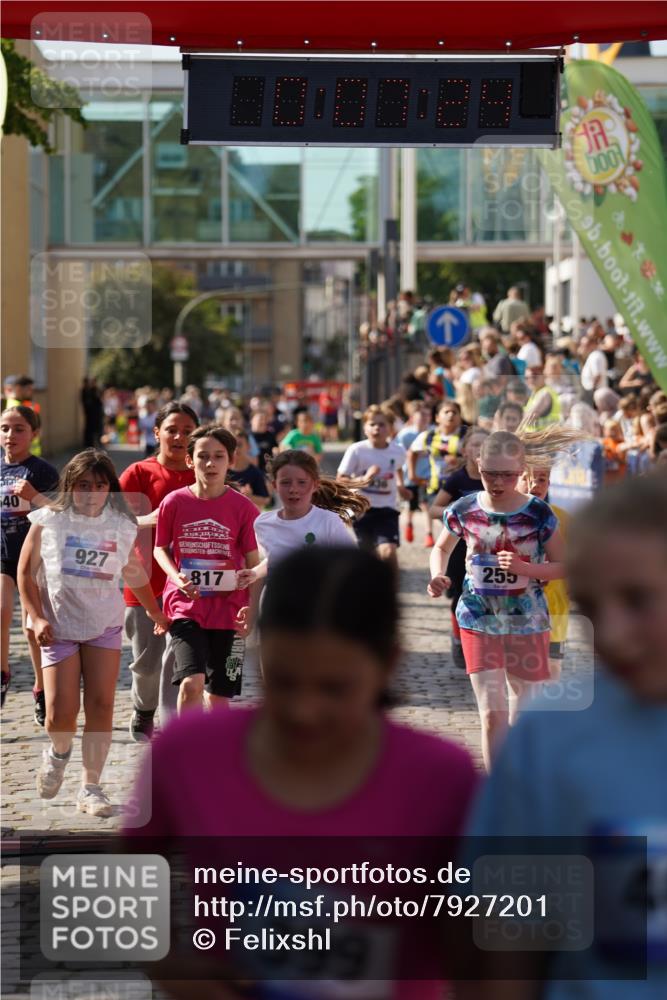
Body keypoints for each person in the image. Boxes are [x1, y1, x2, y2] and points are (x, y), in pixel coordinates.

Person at [127, 547, 479, 996]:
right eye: (284, 680)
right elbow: (122, 872)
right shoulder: (188, 753)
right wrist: (165, 961)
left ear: (389, 663)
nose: (306, 711)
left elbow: (487, 947)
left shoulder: (441, 778)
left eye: (335, 688)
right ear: (257, 651)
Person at [462, 474, 667, 999]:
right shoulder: (551, 731)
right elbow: (504, 934)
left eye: (638, 600)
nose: (613, 634)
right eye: (593, 609)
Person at [17, 449, 169, 816]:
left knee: (101, 706)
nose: (91, 492)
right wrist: (36, 618)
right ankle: (58, 751)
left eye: (99, 485)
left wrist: (154, 610)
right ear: (70, 486)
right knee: (59, 715)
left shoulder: (119, 525)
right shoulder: (48, 520)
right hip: (59, 628)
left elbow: (134, 572)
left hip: (104, 625)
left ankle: (91, 787)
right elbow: (25, 574)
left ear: (108, 489)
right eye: (83, 485)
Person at [427, 430, 570, 771]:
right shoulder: (464, 508)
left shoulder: (539, 514)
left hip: (527, 620)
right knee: (492, 713)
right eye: (490, 472)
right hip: (477, 618)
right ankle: (497, 793)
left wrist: (525, 567)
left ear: (522, 469)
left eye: (507, 474)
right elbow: (441, 546)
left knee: (523, 714)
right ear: (479, 465)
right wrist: (437, 574)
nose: (498, 481)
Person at [153, 425, 260, 714]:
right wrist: (176, 577)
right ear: (190, 461)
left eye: (218, 456)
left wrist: (253, 606)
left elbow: (255, 561)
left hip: (231, 613)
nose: (210, 463)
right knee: (191, 684)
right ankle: (187, 752)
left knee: (219, 699)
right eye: (202, 456)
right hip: (186, 607)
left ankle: (213, 754)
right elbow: (160, 548)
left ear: (231, 461)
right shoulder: (173, 502)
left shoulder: (244, 508)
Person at [119, 402, 199, 741]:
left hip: (191, 584)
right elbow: (109, 521)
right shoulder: (138, 473)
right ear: (157, 433)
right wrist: (146, 520)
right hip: (145, 582)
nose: (180, 437)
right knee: (148, 663)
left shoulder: (203, 472)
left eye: (187, 431)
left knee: (182, 660)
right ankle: (143, 708)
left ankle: (175, 725)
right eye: (172, 430)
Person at [238, 450, 365, 598]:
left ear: (315, 485)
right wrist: (254, 573)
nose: (293, 489)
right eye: (285, 482)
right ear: (274, 486)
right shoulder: (263, 523)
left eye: (302, 482)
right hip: (276, 602)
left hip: (316, 606)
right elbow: (274, 560)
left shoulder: (328, 521)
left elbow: (353, 561)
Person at [1, 406, 59, 717]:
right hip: (2, 552)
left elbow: (63, 513)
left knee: (29, 627)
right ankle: (2, 674)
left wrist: (35, 496)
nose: (11, 435)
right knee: (0, 610)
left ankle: (39, 686)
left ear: (34, 434)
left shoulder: (43, 471)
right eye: (5, 428)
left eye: (19, 429)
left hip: (35, 557)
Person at [429, 427, 489, 670]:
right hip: (457, 547)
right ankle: (458, 637)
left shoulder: (499, 479)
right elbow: (433, 509)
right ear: (465, 450)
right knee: (458, 595)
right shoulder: (457, 479)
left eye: (485, 445)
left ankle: (482, 641)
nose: (479, 450)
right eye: (474, 445)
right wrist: (459, 512)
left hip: (486, 549)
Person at [337, 405, 411, 571]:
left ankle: (391, 587)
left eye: (382, 424)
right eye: (372, 424)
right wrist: (364, 479)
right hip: (362, 510)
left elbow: (397, 467)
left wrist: (400, 485)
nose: (377, 428)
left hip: (387, 509)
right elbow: (341, 480)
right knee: (368, 556)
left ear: (391, 429)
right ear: (364, 428)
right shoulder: (356, 450)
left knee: (388, 551)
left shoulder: (398, 451)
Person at [518, 466, 570, 681]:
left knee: (552, 672)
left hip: (554, 611)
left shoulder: (563, 518)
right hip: (515, 612)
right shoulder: (503, 518)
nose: (534, 485)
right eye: (526, 479)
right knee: (519, 677)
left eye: (542, 479)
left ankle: (547, 714)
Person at [407, 400, 465, 545]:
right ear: (437, 417)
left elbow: (480, 455)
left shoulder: (467, 435)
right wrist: (412, 475)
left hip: (461, 489)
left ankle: (453, 551)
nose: (451, 415)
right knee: (452, 520)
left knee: (457, 523)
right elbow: (412, 452)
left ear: (460, 416)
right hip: (436, 489)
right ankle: (449, 550)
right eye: (446, 412)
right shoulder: (428, 436)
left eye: (455, 412)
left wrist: (461, 461)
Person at [395, 400, 433, 544]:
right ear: (413, 416)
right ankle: (409, 524)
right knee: (410, 506)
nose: (424, 417)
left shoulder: (432, 433)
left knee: (426, 505)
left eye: (427, 415)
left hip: (427, 476)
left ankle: (429, 534)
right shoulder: (405, 435)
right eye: (421, 414)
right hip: (409, 476)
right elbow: (398, 453)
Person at [228, 430, 270, 510]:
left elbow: (266, 500)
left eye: (240, 445)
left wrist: (249, 496)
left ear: (248, 447)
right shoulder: (222, 471)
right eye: (233, 445)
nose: (236, 448)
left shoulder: (255, 472)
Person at [4, 375, 42, 455]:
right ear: (18, 388)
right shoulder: (16, 407)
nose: (31, 392)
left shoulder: (26, 405)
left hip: (29, 454)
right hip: (21, 456)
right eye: (29, 389)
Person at [80, 377, 104, 449]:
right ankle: (89, 443)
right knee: (90, 428)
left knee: (96, 428)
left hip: (95, 413)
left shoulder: (94, 390)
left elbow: (99, 401)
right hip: (91, 413)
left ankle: (96, 442)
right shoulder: (87, 390)